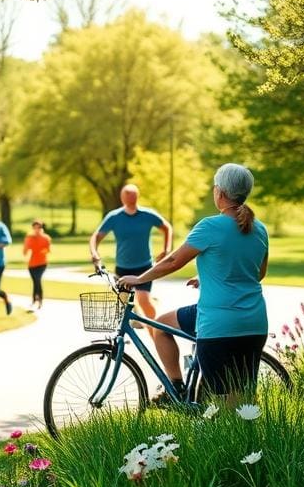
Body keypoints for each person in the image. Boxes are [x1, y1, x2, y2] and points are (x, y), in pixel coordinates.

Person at [118, 164, 269, 405]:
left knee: (225, 408)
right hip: (254, 322)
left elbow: (174, 261)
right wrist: (209, 276)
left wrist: (139, 279)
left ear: (219, 192)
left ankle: (175, 387)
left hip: (218, 323)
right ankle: (180, 390)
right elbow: (257, 273)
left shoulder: (210, 226)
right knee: (245, 403)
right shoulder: (259, 229)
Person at [90, 184, 172, 332]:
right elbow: (96, 236)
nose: (130, 199)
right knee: (121, 305)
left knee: (143, 299)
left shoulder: (147, 215)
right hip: (123, 267)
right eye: (127, 196)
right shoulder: (114, 217)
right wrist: (94, 253)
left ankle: (155, 332)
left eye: (133, 196)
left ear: (137, 196)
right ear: (122, 198)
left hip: (144, 267)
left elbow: (166, 228)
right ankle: (121, 340)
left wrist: (166, 249)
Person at [23, 219, 52, 311]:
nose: (36, 229)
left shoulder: (46, 238)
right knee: (35, 282)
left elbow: (48, 250)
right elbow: (25, 251)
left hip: (42, 263)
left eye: (38, 227)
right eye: (35, 227)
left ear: (41, 228)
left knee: (38, 280)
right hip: (32, 264)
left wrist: (41, 251)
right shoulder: (29, 238)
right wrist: (27, 246)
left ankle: (37, 300)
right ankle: (37, 300)